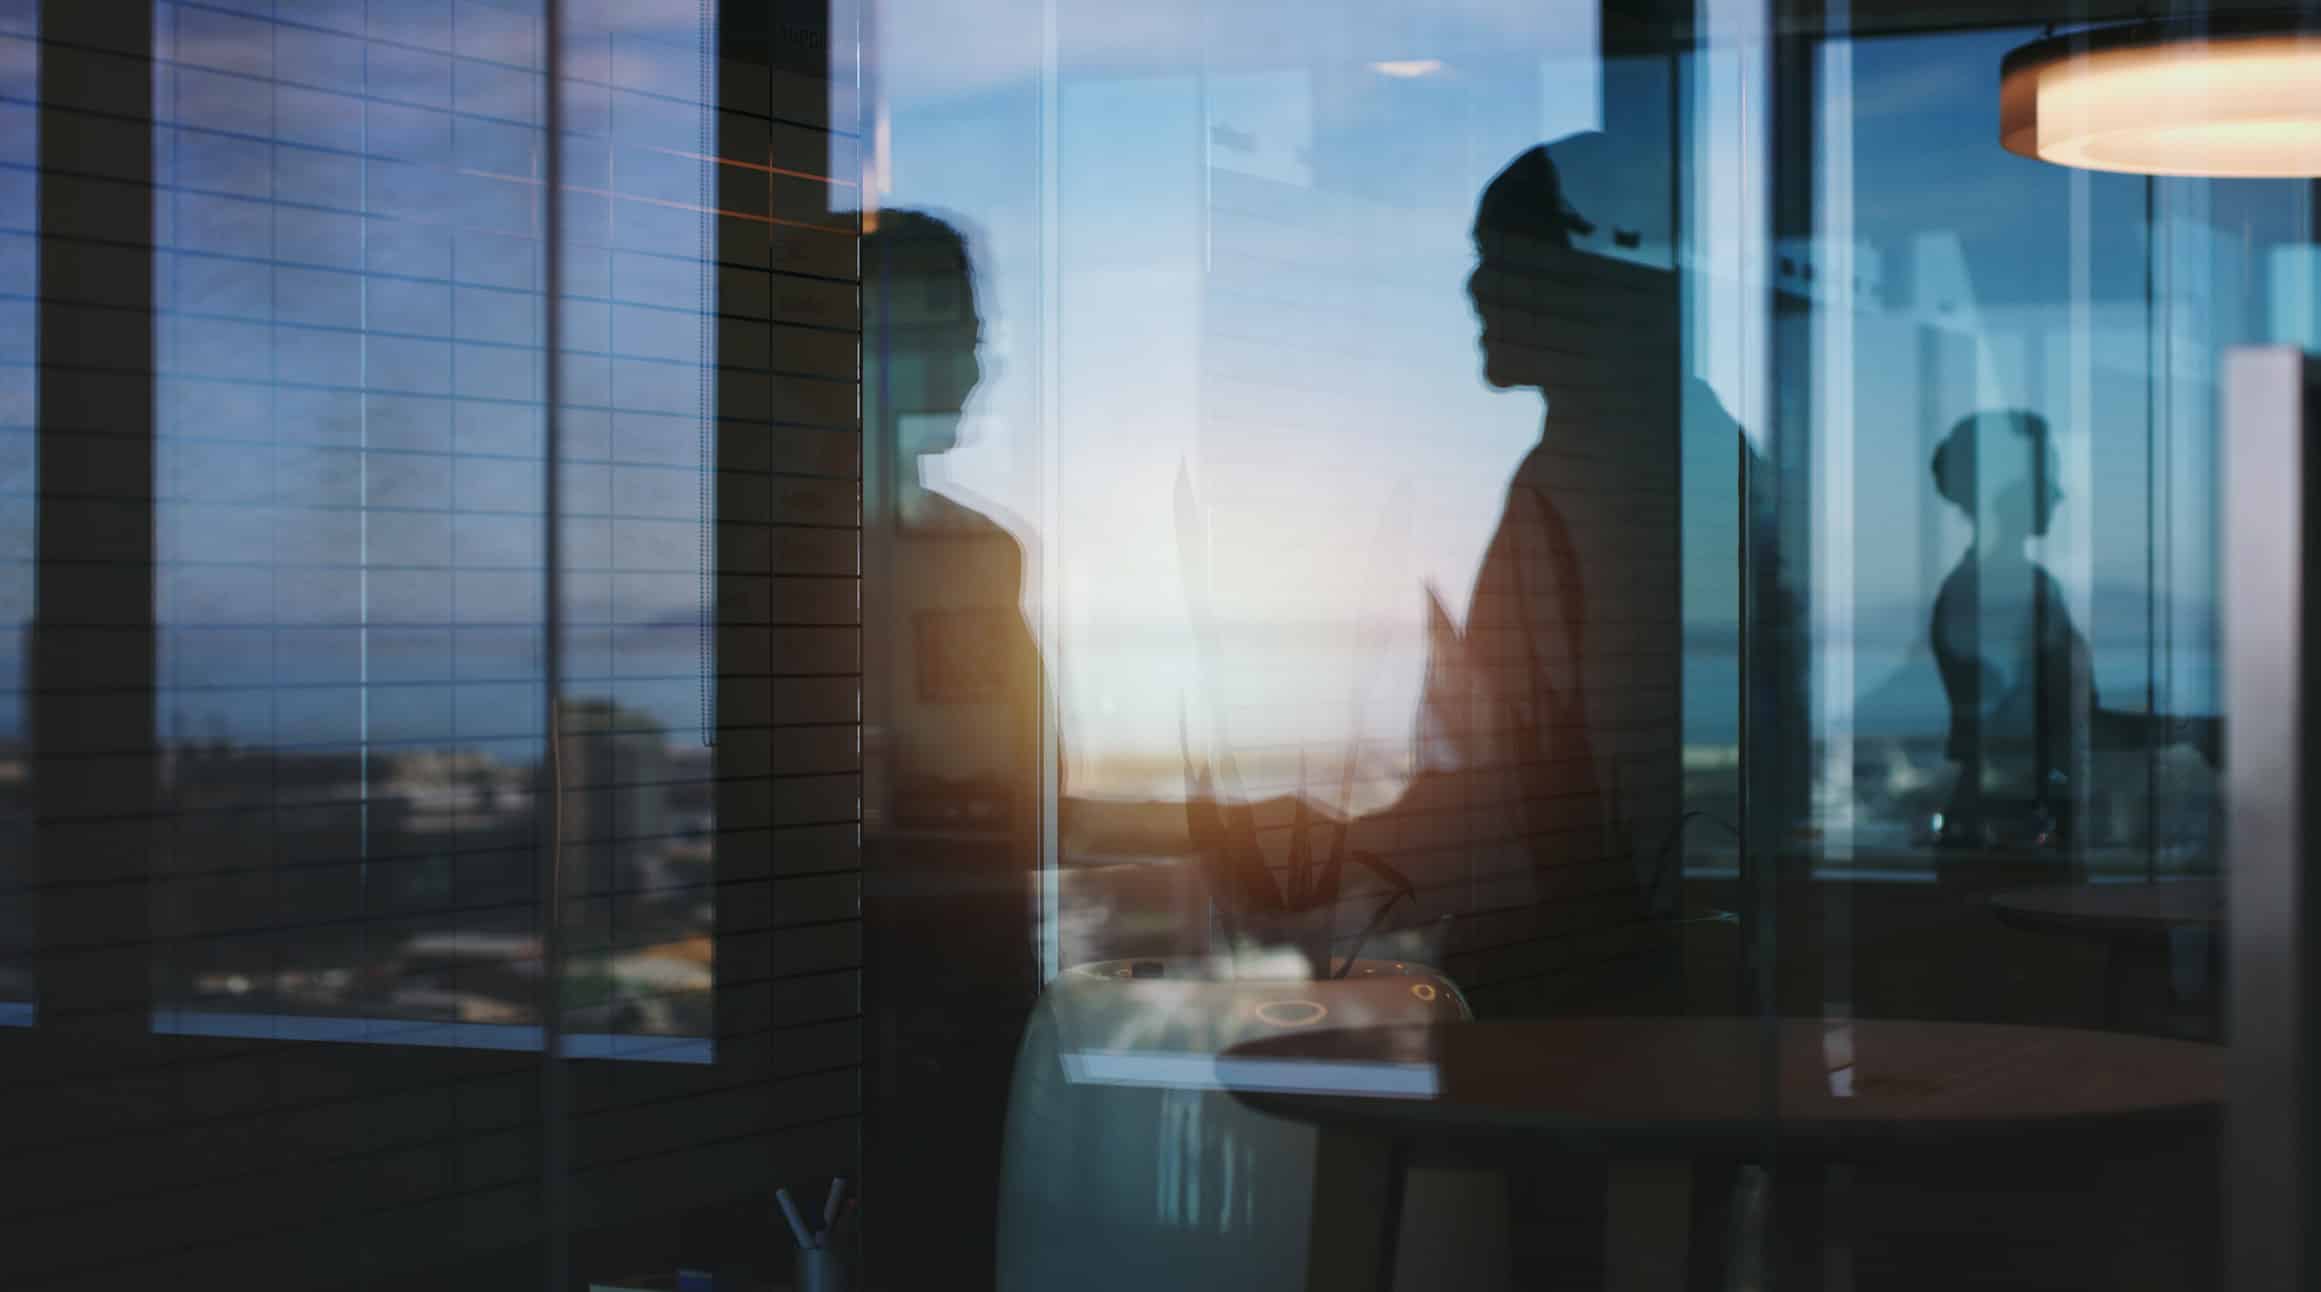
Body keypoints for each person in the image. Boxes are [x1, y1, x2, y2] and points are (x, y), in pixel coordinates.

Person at [857, 209, 1046, 1292]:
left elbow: (998, 756)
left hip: (976, 946)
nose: (976, 359)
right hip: (888, 971)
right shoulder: (797, 556)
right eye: (948, 325)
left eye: (977, 330)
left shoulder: (978, 554)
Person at [1925, 410, 2216, 850]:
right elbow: (2041, 731)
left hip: (2012, 826)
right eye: (2048, 477)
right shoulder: (1998, 592)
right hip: (2007, 835)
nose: (2059, 494)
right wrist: (2189, 732)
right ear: (2005, 490)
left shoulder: (2017, 587)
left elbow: (2053, 724)